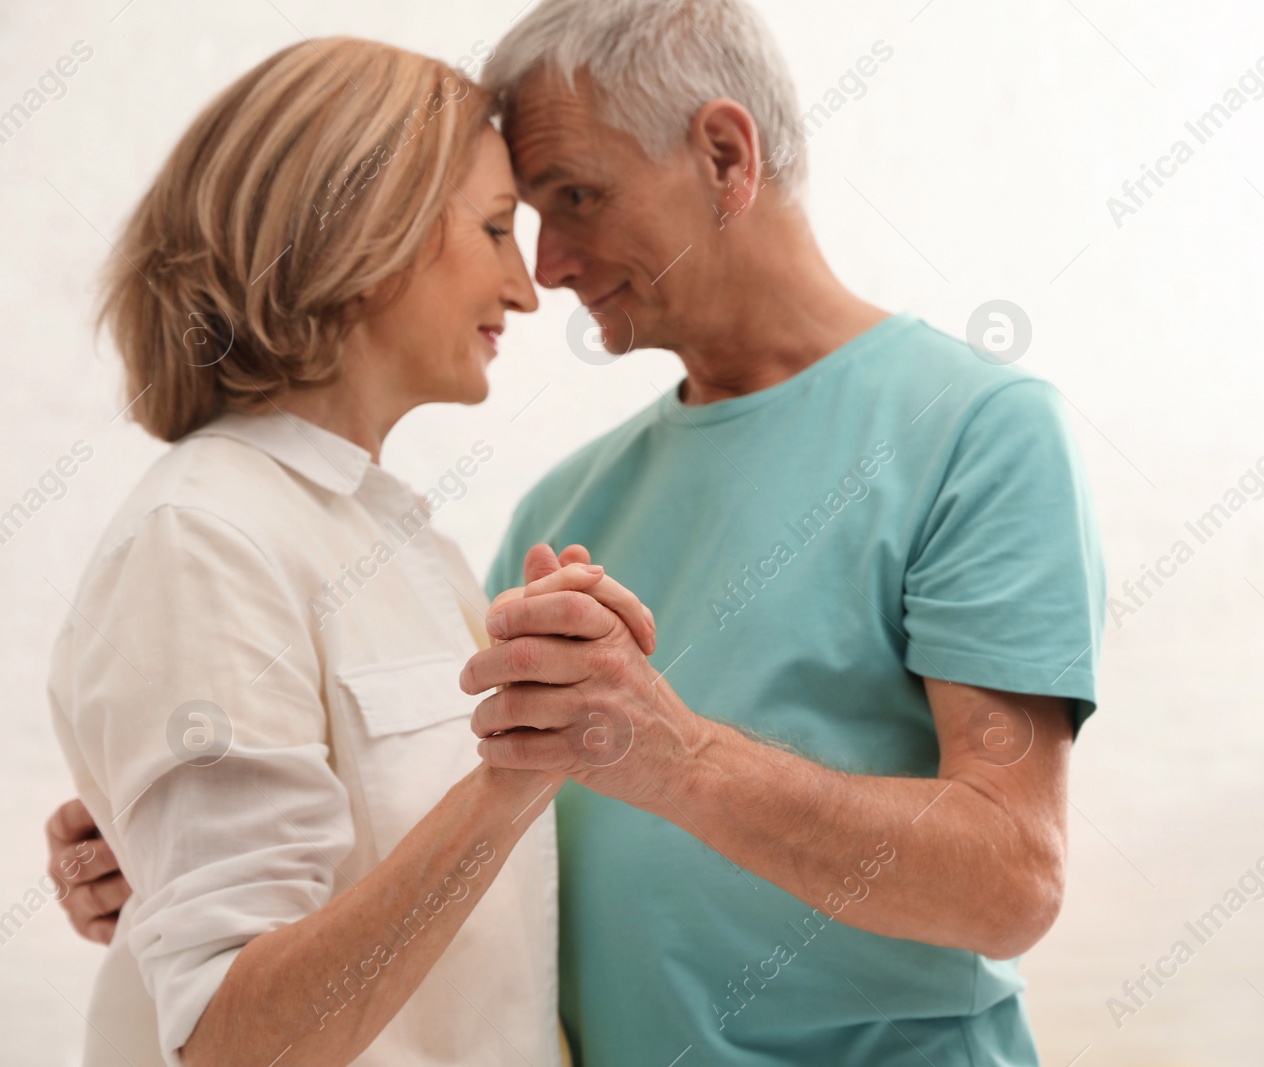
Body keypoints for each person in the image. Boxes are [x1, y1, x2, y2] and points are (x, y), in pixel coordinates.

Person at [52, 1, 1106, 1063]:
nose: (544, 269)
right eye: (511, 218)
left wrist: (677, 754)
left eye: (574, 197)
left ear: (724, 155)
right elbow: (472, 821)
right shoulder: (558, 517)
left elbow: (1013, 879)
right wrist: (175, 829)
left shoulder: (976, 433)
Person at [45, 36, 651, 1067]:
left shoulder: (399, 537)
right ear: (366, 228)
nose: (526, 287)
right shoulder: (203, 541)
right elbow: (231, 1038)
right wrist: (510, 778)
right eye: (498, 228)